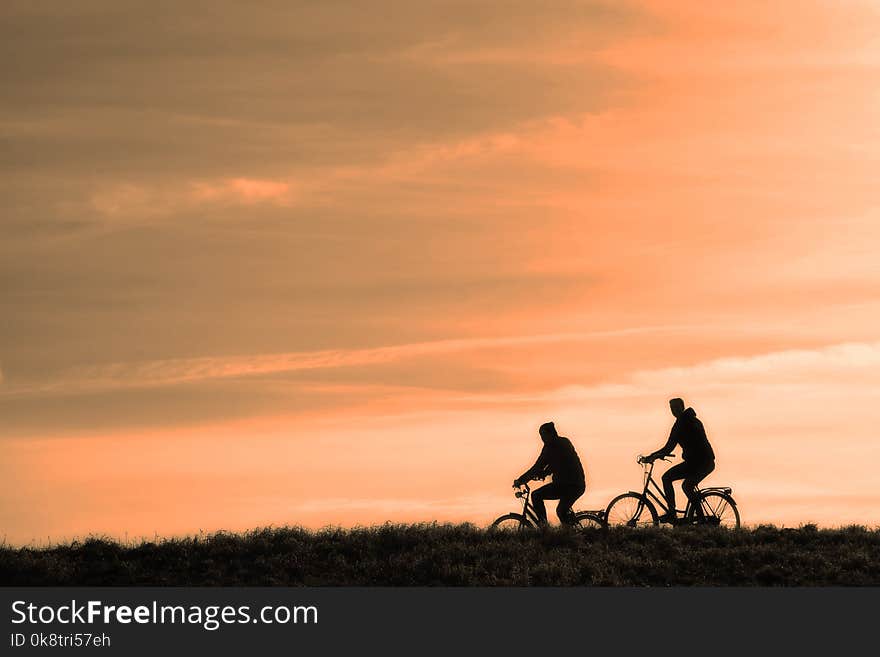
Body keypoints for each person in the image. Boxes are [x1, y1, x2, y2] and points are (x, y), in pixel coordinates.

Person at [641, 398, 715, 523]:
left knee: (671, 480)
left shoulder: (681, 424)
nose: (673, 411)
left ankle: (675, 513)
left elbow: (669, 447)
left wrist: (652, 456)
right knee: (687, 486)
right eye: (671, 408)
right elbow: (669, 447)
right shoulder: (692, 420)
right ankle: (696, 518)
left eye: (675, 408)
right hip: (702, 462)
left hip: (700, 462)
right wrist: (657, 454)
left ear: (681, 407)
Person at [513, 422, 586, 526]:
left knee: (537, 496)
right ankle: (567, 532)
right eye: (541, 435)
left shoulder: (551, 447)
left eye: (543, 435)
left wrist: (521, 480)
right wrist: (543, 473)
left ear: (551, 434)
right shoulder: (563, 442)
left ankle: (544, 528)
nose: (542, 438)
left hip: (568, 485)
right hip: (575, 484)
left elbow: (538, 466)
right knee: (562, 511)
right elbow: (559, 463)